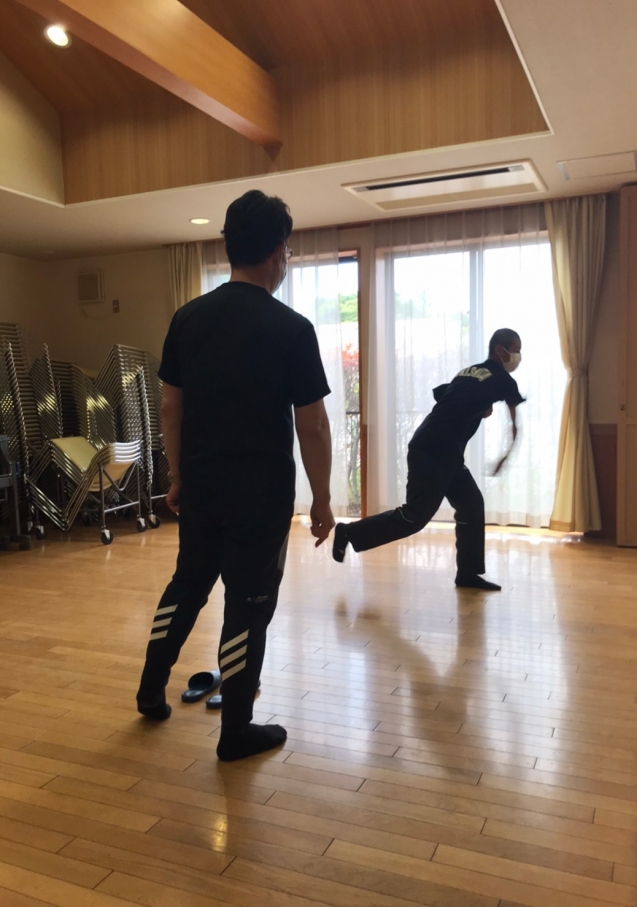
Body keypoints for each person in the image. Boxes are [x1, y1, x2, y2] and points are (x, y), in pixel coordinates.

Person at [136, 190, 335, 761]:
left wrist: (177, 475)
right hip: (260, 495)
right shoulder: (291, 327)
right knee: (249, 603)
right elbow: (313, 424)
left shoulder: (187, 318)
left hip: (201, 486)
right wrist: (322, 499)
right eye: (288, 251)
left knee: (187, 585)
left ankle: (150, 689)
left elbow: (170, 407)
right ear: (276, 251)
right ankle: (236, 731)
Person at [333, 329, 525, 590]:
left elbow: (445, 396)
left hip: (441, 448)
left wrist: (480, 407)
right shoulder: (503, 379)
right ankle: (348, 532)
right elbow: (514, 424)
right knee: (414, 517)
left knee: (471, 505)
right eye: (516, 350)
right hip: (435, 451)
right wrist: (506, 455)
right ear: (500, 350)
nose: (518, 356)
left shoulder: (468, 371)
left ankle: (467, 574)